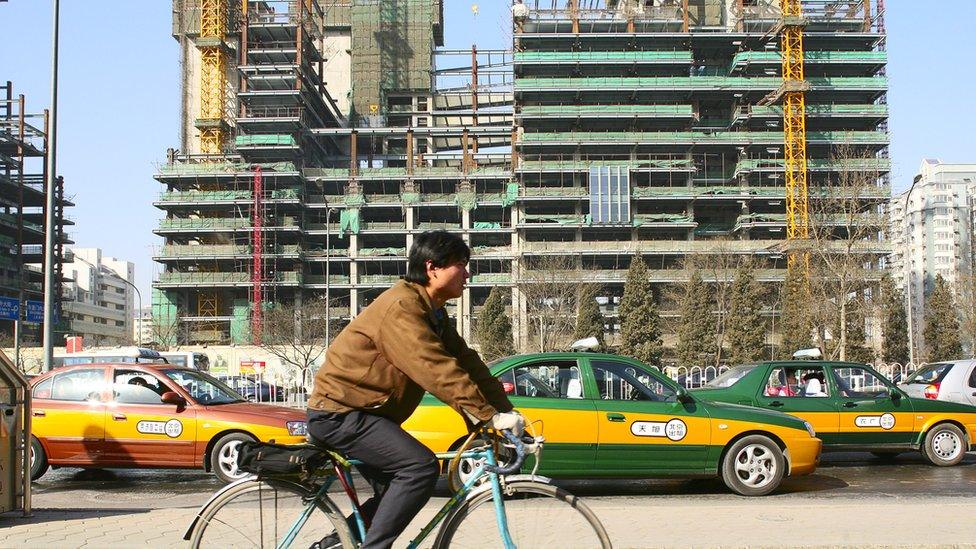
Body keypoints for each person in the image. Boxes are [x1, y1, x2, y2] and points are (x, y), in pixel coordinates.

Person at [306, 231, 520, 549]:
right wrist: (486, 415)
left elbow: (468, 363)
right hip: (339, 413)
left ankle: (334, 546)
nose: (467, 273)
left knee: (395, 492)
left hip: (364, 413)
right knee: (419, 468)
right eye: (460, 264)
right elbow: (435, 368)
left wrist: (505, 412)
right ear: (432, 268)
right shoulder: (403, 308)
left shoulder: (432, 312)